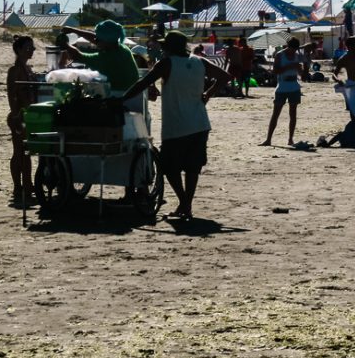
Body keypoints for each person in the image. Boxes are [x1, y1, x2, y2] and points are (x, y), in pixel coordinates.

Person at [123, 31, 229, 219]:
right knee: (192, 167)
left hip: (176, 125)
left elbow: (144, 82)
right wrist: (207, 94)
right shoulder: (199, 61)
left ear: (170, 47)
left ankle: (185, 203)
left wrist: (122, 99)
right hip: (199, 122)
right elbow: (224, 76)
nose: (162, 49)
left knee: (169, 167)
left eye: (164, 46)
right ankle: (186, 205)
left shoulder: (167, 63)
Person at [59, 20, 140, 103]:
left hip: (121, 98)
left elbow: (78, 56)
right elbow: (94, 38)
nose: (95, 40)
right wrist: (73, 30)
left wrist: (65, 45)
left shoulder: (106, 58)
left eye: (98, 39)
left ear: (106, 41)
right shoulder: (122, 48)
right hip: (133, 95)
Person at [320, 36, 355, 150]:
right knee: (354, 116)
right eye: (352, 46)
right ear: (348, 47)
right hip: (350, 88)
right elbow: (334, 74)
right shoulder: (344, 58)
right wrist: (338, 80)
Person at [6, 36, 39, 205]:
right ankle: (19, 186)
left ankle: (27, 185)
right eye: (28, 48)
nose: (31, 50)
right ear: (19, 50)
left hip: (29, 115)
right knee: (19, 153)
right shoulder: (15, 70)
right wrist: (16, 115)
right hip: (19, 116)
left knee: (25, 153)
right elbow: (11, 95)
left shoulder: (28, 69)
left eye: (32, 48)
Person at [260, 37, 308, 147]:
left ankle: (290, 139)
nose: (294, 51)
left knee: (293, 114)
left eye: (295, 49)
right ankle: (268, 139)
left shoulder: (297, 56)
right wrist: (290, 66)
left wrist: (305, 66)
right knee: (275, 114)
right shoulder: (280, 55)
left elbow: (303, 77)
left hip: (294, 86)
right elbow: (275, 71)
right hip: (282, 87)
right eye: (292, 49)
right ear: (288, 46)